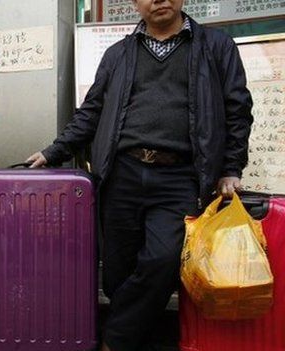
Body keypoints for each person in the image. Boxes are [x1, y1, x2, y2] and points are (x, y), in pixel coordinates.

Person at [26, 1, 253, 350]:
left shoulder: (216, 46)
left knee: (163, 260)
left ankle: (114, 340)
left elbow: (237, 109)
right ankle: (135, 339)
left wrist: (230, 168)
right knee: (117, 271)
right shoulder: (117, 54)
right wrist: (52, 152)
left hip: (180, 175)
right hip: (122, 173)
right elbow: (91, 112)